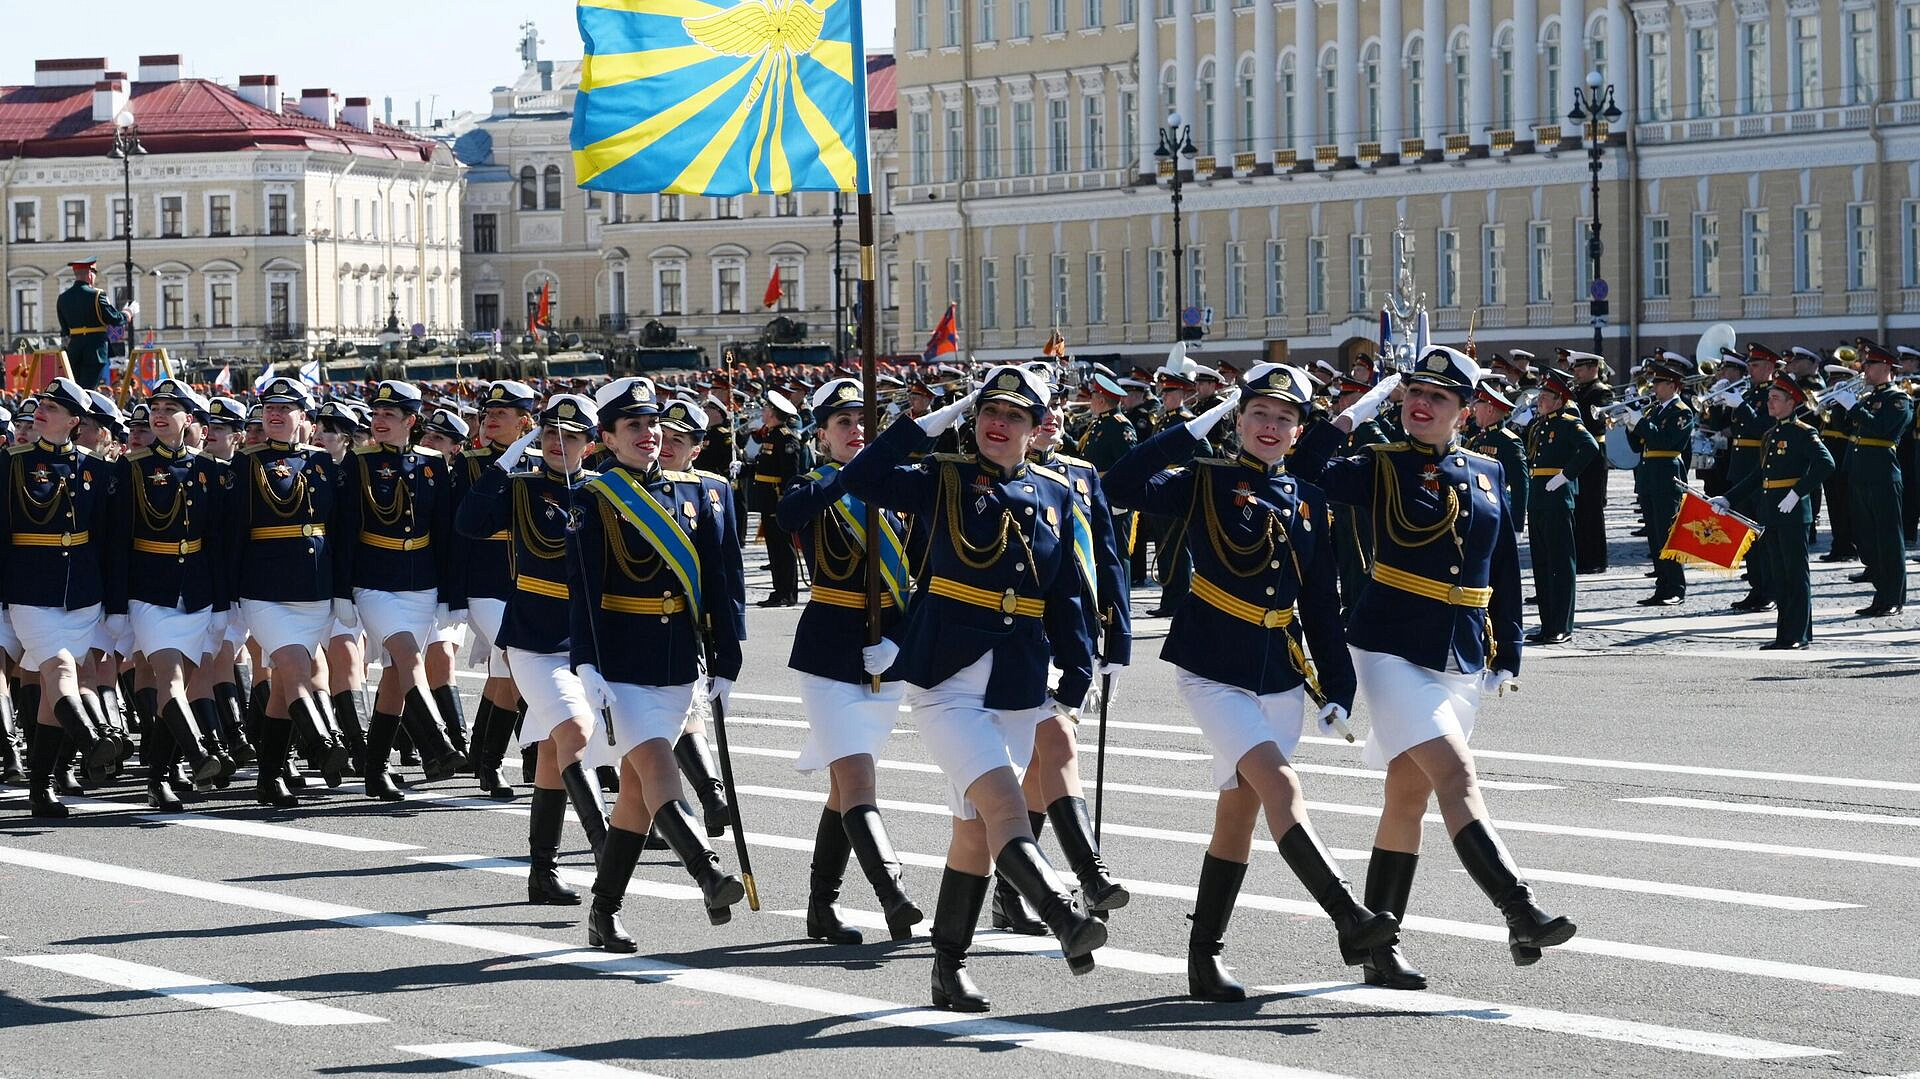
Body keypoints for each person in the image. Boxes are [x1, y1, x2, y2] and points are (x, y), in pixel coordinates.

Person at [1106, 363, 1398, 1002]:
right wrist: (1191, 427)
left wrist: (1338, 688)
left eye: (1285, 418)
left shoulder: (1309, 499)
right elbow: (1119, 486)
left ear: (1300, 430)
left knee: (1239, 811)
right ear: (1237, 420)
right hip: (1212, 666)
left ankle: (1202, 958)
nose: (1271, 426)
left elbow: (1322, 602)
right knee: (1278, 783)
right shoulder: (1204, 481)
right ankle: (1349, 918)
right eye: (1259, 414)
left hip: (1280, 672)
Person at [1290, 346, 1577, 989]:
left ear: (1467, 410)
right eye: (1413, 392)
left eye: (1439, 398)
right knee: (1457, 772)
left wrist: (1510, 646)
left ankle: (1378, 947)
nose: (1421, 404)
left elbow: (1502, 566)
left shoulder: (1489, 470)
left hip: (1461, 651)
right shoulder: (1377, 464)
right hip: (1390, 645)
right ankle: (1519, 909)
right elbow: (1303, 470)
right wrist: (1349, 415)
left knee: (1407, 795)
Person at [842, 364, 1105, 1013]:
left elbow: (1065, 590)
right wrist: (924, 420)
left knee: (972, 831)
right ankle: (1063, 916)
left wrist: (1080, 666)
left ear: (1038, 427)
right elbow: (863, 477)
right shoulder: (946, 477)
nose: (998, 423)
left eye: (1015, 416)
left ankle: (947, 969)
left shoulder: (1054, 490)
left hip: (1018, 682)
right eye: (989, 410)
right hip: (947, 680)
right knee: (1005, 808)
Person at [569, 377, 747, 950]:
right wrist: (587, 664)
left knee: (636, 799)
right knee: (655, 767)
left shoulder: (700, 494)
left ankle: (603, 911)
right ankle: (708, 871)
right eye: (634, 427)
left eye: (653, 425)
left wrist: (727, 653)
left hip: (677, 661)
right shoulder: (594, 499)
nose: (649, 435)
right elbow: (583, 589)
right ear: (607, 439)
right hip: (621, 661)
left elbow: (722, 580)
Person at [775, 378, 926, 946]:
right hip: (829, 653)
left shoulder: (899, 489)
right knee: (857, 777)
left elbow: (927, 577)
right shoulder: (813, 486)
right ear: (821, 436)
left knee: (844, 787)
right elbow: (790, 516)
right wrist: (849, 478)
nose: (856, 431)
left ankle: (821, 907)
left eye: (863, 423)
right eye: (843, 423)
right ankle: (896, 896)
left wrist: (903, 642)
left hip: (886, 653)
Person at [455, 393, 613, 904]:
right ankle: (605, 844)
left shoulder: (607, 493)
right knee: (574, 730)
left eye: (571, 437)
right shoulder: (519, 490)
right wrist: (500, 467)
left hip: (591, 640)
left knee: (551, 751)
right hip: (534, 640)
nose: (557, 445)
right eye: (549, 435)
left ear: (590, 445)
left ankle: (541, 871)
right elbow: (469, 524)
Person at [999, 390, 1132, 936]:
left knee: (1041, 764)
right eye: (1039, 413)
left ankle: (1012, 892)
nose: (1051, 421)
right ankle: (1086, 874)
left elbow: (1108, 555)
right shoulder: (997, 477)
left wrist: (1116, 641)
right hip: (1023, 629)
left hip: (1072, 633)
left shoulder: (1081, 475)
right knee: (1054, 746)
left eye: (1055, 411)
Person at [105, 379, 236, 811]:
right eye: (154, 406)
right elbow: (118, 542)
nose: (159, 414)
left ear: (189, 419)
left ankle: (157, 778)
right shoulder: (132, 468)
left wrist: (220, 605)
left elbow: (218, 544)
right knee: (170, 678)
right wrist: (118, 607)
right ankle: (197, 754)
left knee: (179, 684)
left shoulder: (211, 471)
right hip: (150, 591)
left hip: (195, 591)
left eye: (170, 407)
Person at [333, 381, 463, 800]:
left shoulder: (432, 463)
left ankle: (375, 770)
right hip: (375, 581)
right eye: (376, 414)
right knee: (407, 656)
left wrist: (449, 594)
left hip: (421, 582)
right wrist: (342, 591)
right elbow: (345, 531)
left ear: (411, 420)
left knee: (395, 675)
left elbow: (444, 532)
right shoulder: (360, 462)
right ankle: (435, 743)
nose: (379, 421)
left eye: (390, 415)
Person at [7, 379, 127, 816]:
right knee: (59, 670)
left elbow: (110, 543)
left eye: (55, 407)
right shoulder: (13, 462)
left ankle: (40, 788)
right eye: (41, 403)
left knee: (52, 692)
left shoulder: (96, 470)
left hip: (81, 593)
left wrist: (114, 604)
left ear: (75, 422)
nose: (42, 410)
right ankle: (92, 739)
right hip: (29, 590)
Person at [453, 381, 538, 800]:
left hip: (534, 581)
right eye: (487, 413)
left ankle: (487, 754)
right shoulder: (469, 463)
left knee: (508, 671)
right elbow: (455, 529)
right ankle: (495, 763)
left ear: (524, 421)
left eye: (500, 415)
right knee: (511, 660)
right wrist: (451, 596)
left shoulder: (543, 460)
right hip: (486, 581)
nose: (489, 420)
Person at [1715, 373, 1836, 650]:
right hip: (1771, 511)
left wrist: (1798, 492)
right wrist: (1728, 498)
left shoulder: (1804, 432)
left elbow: (1826, 464)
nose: (1769, 403)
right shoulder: (1771, 434)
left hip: (1793, 512)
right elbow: (1759, 475)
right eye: (1769, 398)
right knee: (1779, 574)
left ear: (1792, 402)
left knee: (1795, 573)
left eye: (1776, 399)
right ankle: (1785, 634)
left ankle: (1799, 634)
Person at [1522, 368, 1599, 644]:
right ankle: (1547, 624)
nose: (1540, 399)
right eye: (1540, 394)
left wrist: (1567, 475)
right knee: (1542, 565)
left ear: (1560, 399)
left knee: (1560, 564)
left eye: (1545, 395)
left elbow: (1591, 448)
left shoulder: (1569, 423)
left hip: (1557, 497)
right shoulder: (1539, 425)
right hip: (1539, 499)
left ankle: (1561, 626)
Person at [1839, 344, 1911, 616]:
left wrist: (1854, 407)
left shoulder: (1899, 400)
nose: (1864, 369)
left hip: (1882, 475)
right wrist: (1843, 406)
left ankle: (1893, 598)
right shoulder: (1869, 398)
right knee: (1868, 539)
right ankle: (1880, 594)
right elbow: (1849, 429)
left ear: (1885, 368)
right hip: (1860, 474)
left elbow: (1883, 429)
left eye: (1870, 365)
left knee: (1889, 540)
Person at [1623, 356, 1696, 606]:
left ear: (1674, 385)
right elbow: (1637, 445)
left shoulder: (1682, 412)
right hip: (1648, 475)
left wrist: (1640, 423)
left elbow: (1666, 441)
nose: (1654, 387)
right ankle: (1662, 585)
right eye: (1654, 382)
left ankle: (1676, 586)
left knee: (1668, 533)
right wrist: (1630, 425)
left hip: (1667, 474)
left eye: (1660, 383)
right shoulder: (1654, 409)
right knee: (1654, 535)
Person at [745, 393, 805, 607]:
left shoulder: (786, 438)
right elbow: (764, 466)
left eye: (765, 409)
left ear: (772, 413)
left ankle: (787, 593)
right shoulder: (770, 435)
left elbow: (790, 474)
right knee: (774, 548)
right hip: (767, 500)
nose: (762, 412)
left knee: (783, 549)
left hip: (777, 499)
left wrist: (786, 500)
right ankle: (779, 590)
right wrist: (745, 468)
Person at [1563, 350, 1613, 574]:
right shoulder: (1579, 390)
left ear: (1593, 368)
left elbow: (1593, 422)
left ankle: (1595, 559)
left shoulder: (1601, 392)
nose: (1576, 373)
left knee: (1592, 508)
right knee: (1580, 508)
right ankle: (1582, 555)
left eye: (1580, 368)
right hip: (1577, 454)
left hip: (1593, 455)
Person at [56, 259, 136, 389]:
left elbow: (65, 329)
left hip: (74, 350)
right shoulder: (97, 295)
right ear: (90, 274)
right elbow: (114, 319)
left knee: (76, 388)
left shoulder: (63, 297)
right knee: (88, 390)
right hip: (95, 349)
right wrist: (128, 313)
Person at [1465, 384, 1528, 533]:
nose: (1474, 409)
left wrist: (1517, 526)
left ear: (1489, 409)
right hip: (1475, 512)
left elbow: (1520, 486)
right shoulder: (1476, 440)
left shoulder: (1509, 442)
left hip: (1496, 513)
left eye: (1478, 405)